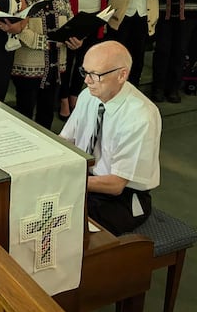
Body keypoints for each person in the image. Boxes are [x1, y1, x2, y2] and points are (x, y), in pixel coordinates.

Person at [60, 41, 161, 234]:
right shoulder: (87, 96)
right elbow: (66, 140)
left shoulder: (140, 116)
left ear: (122, 75)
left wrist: (67, 180)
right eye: (85, 72)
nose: (87, 81)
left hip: (123, 197)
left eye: (95, 75)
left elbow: (116, 185)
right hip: (87, 178)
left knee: (69, 225)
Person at [12, 0, 83, 129]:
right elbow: (19, 29)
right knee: (24, 113)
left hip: (56, 66)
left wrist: (76, 38)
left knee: (47, 114)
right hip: (28, 66)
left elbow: (70, 23)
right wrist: (49, 43)